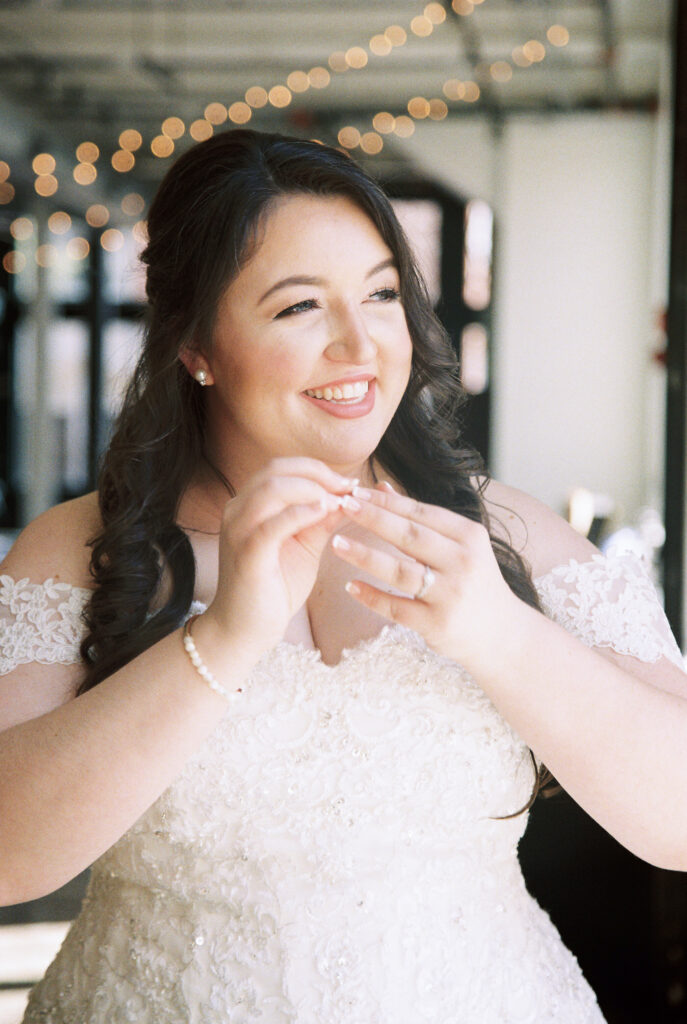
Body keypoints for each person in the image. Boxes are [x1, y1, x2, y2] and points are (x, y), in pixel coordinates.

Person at [1, 128, 685, 1024]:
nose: (361, 345)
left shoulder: (511, 537)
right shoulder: (77, 550)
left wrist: (500, 633)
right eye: (299, 309)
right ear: (195, 342)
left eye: (382, 293)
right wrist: (222, 640)